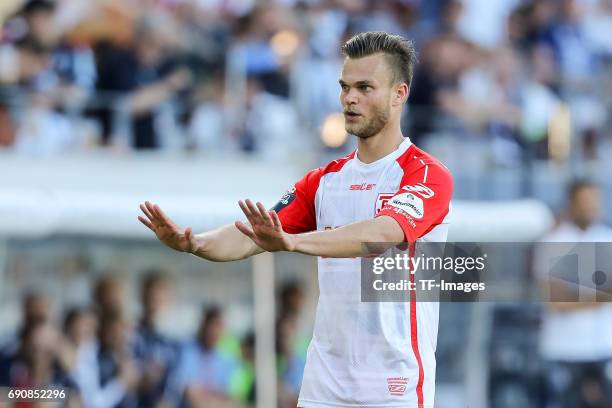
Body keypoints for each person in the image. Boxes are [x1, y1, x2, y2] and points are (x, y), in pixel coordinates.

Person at [139, 31, 453, 407]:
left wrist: (294, 242)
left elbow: (383, 232)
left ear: (399, 94)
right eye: (345, 87)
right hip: (325, 382)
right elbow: (255, 233)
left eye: (365, 87)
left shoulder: (426, 174)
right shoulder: (324, 181)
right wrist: (195, 243)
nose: (350, 98)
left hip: (393, 384)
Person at [535, 180, 612, 408]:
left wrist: (578, 295)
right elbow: (556, 301)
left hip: (604, 348)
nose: (591, 207)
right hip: (564, 349)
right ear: (571, 204)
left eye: (595, 201)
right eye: (585, 201)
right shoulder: (553, 242)